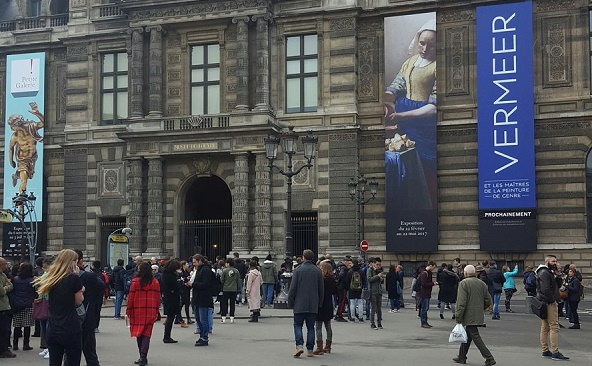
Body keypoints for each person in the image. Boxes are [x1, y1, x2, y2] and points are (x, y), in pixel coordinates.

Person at [384, 19, 438, 209]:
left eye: (430, 45)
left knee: (425, 166)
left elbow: (433, 107)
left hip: (423, 124)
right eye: (422, 43)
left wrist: (401, 116)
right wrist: (388, 99)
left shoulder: (437, 66)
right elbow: (397, 86)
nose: (424, 48)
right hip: (402, 121)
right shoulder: (410, 62)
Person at [34, 249, 84, 366]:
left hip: (53, 326)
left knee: (54, 363)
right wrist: (80, 287)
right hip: (70, 326)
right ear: (72, 262)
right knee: (73, 362)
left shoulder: (50, 278)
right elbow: (79, 301)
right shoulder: (73, 278)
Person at [63, 249, 105, 366]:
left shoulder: (59, 278)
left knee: (69, 356)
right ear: (80, 261)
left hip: (66, 321)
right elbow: (101, 286)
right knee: (90, 354)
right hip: (86, 320)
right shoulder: (88, 277)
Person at [453, 265, 496, 366]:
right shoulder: (482, 283)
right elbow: (488, 300)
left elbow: (461, 302)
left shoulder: (464, 283)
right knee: (468, 335)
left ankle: (489, 358)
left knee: (475, 335)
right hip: (478, 313)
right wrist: (481, 308)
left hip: (469, 314)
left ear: (466, 273)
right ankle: (462, 357)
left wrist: (458, 316)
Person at [288, 249, 324, 358]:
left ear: (303, 257)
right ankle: (310, 349)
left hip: (299, 303)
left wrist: (291, 302)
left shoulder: (298, 270)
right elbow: (321, 290)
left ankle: (299, 346)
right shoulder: (318, 271)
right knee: (311, 327)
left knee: (298, 325)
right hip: (313, 304)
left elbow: (292, 288)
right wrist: (320, 303)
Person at [126, 262, 160, 366]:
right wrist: (156, 311)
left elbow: (130, 298)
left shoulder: (135, 282)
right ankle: (143, 356)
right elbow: (158, 298)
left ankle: (142, 356)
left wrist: (128, 311)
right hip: (150, 311)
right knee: (146, 334)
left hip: (137, 310)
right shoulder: (155, 282)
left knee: (138, 334)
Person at [536, 255, 569, 361]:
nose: (555, 263)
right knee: (554, 326)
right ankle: (555, 351)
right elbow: (545, 288)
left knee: (545, 327)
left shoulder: (546, 272)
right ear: (547, 262)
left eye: (556, 261)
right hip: (548, 302)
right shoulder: (545, 272)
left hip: (544, 301)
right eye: (553, 261)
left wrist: (558, 275)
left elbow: (556, 286)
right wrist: (552, 300)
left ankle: (545, 350)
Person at [7, 101, 44, 195]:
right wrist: (11, 161)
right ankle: (21, 205)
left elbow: (43, 123)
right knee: (24, 181)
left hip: (32, 157)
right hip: (21, 160)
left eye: (12, 126)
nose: (11, 128)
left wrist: (37, 113)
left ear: (17, 124)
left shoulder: (32, 126)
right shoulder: (14, 137)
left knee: (29, 176)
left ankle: (15, 176)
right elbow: (11, 148)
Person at [9, 262, 36, 352]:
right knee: (27, 325)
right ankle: (26, 344)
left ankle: (15, 344)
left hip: (17, 304)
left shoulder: (15, 279)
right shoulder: (32, 280)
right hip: (28, 304)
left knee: (17, 325)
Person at [190, 254, 215, 346]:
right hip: (197, 297)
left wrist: (193, 285)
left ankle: (204, 337)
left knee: (203, 319)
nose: (194, 264)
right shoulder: (199, 270)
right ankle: (201, 336)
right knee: (198, 319)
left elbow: (206, 284)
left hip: (204, 298)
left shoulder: (205, 270)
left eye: (195, 262)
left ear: (200, 261)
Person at [314, 261, 337, 355]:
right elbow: (335, 291)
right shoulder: (332, 279)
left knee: (318, 326)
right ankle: (328, 346)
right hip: (328, 304)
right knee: (328, 326)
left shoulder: (321, 280)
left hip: (321, 304)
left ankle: (319, 347)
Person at [161, 259, 182, 343]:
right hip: (171, 298)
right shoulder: (170, 276)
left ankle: (167, 336)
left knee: (170, 317)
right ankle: (167, 336)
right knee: (170, 318)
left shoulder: (165, 274)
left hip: (167, 297)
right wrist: (180, 283)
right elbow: (176, 287)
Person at [0, 257, 16, 358]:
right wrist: (6, 288)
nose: (6, 266)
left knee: (5, 329)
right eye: (5, 264)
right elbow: (1, 291)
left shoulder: (3, 275)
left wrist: (5, 287)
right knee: (4, 330)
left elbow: (11, 285)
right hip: (2, 307)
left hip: (5, 306)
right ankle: (3, 349)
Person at [419, 261, 438, 328]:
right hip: (424, 293)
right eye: (433, 267)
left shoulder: (428, 273)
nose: (433, 269)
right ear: (430, 265)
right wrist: (432, 284)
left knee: (425, 308)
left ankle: (425, 322)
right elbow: (423, 284)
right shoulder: (424, 273)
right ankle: (423, 322)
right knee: (424, 308)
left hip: (426, 293)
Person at [220, 258, 240, 323]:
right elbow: (238, 281)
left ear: (228, 263)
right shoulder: (236, 271)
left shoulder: (224, 271)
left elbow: (222, 280)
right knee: (232, 304)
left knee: (224, 304)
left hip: (226, 289)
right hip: (234, 289)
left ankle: (223, 317)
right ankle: (232, 317)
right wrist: (239, 289)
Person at [367, 257, 384, 329]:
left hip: (379, 291)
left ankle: (379, 323)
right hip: (372, 291)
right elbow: (369, 279)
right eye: (377, 264)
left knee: (379, 309)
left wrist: (381, 279)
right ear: (374, 264)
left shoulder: (380, 271)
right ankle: (372, 323)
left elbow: (382, 282)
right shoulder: (370, 270)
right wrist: (377, 276)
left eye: (379, 265)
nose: (378, 266)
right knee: (373, 308)